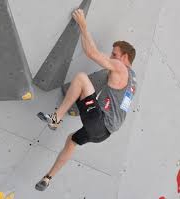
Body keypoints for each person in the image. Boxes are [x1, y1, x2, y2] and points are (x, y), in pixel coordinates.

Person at [35, 8, 137, 191]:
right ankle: (48, 177)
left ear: (125, 57)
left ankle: (56, 118)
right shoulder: (133, 79)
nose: (111, 57)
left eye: (114, 54)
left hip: (99, 121)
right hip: (103, 134)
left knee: (81, 78)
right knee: (72, 140)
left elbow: (92, 53)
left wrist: (83, 25)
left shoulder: (121, 68)